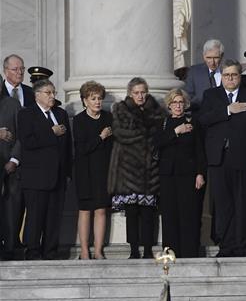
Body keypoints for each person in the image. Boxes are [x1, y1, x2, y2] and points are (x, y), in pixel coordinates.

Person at [199, 60, 246, 258]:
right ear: (221, 77)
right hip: (218, 159)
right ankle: (225, 246)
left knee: (242, 203)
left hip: (244, 159)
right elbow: (203, 120)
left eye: (234, 75)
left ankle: (242, 245)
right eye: (226, 75)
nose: (230, 78)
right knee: (223, 204)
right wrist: (228, 110)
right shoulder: (211, 95)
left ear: (239, 76)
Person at [108, 77, 165, 259]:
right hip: (128, 168)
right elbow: (120, 133)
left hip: (150, 169)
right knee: (131, 213)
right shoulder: (121, 109)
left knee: (149, 213)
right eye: (136, 93)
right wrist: (145, 133)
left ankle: (148, 249)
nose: (140, 96)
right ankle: (133, 250)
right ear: (130, 94)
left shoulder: (156, 110)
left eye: (143, 92)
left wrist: (147, 136)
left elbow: (159, 136)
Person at [17, 79, 72, 260]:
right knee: (35, 216)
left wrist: (68, 173)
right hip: (36, 177)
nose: (52, 96)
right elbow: (28, 142)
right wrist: (51, 133)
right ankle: (33, 251)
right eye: (48, 93)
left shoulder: (61, 114)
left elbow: (67, 147)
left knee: (54, 217)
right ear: (37, 95)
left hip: (58, 176)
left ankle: (50, 252)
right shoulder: (26, 114)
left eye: (53, 92)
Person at [153, 88, 206, 258]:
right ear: (169, 105)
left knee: (188, 214)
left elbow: (200, 150)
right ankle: (171, 253)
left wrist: (200, 173)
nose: (178, 105)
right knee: (169, 214)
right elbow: (157, 143)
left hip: (188, 174)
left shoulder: (193, 122)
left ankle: (190, 252)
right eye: (174, 102)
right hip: (167, 175)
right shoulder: (163, 123)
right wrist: (177, 131)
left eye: (181, 102)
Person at [72, 80, 112, 260]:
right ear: (85, 100)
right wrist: (100, 137)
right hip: (85, 171)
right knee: (85, 210)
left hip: (103, 170)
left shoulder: (107, 117)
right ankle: (84, 251)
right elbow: (82, 149)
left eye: (99, 98)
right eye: (93, 98)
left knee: (101, 210)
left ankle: (97, 250)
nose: (97, 102)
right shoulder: (79, 120)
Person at [0, 87, 22, 259]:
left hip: (9, 166)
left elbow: (22, 134)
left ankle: (10, 247)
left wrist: (14, 159)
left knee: (11, 208)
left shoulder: (12, 104)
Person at [185, 38, 225, 104]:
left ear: (222, 56)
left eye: (216, 58)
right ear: (203, 56)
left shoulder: (228, 71)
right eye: (209, 58)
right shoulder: (194, 72)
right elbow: (188, 98)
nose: (212, 62)